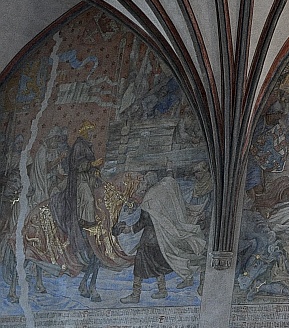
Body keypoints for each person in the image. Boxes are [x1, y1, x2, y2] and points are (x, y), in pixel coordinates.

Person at [114, 172, 207, 302]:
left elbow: (143, 222)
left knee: (139, 267)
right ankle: (162, 290)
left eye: (144, 182)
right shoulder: (162, 191)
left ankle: (135, 295)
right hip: (161, 238)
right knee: (157, 264)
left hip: (149, 240)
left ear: (148, 183)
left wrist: (127, 229)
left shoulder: (149, 199)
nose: (142, 184)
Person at [49, 121, 103, 301]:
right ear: (84, 132)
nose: (91, 134)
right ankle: (86, 220)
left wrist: (95, 169)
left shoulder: (86, 145)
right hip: (79, 180)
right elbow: (77, 166)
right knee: (88, 197)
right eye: (89, 132)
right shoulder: (79, 146)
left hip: (88, 177)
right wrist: (92, 163)